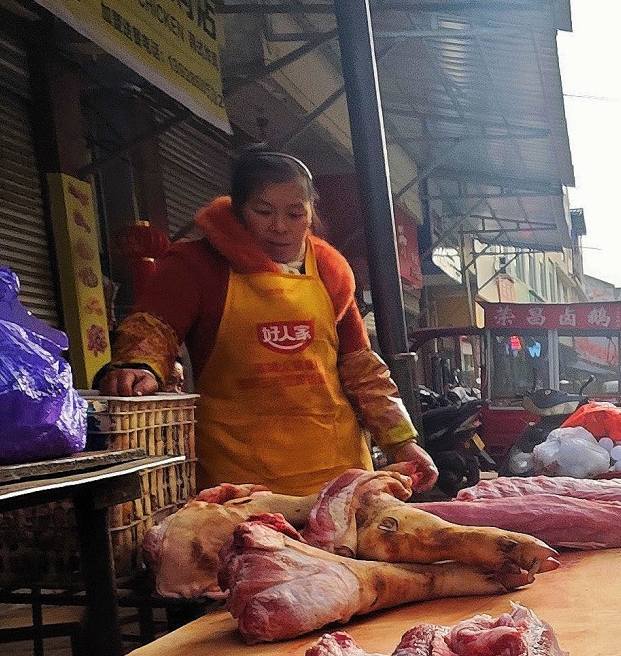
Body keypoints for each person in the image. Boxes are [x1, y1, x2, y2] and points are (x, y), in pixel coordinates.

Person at [98, 149, 435, 495]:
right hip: (240, 484)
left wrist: (402, 442)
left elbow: (362, 369)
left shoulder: (331, 271)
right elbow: (154, 328)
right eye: (263, 211)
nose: (280, 226)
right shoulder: (198, 265)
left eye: (294, 213)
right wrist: (140, 366)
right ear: (238, 211)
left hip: (338, 476)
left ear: (310, 213)